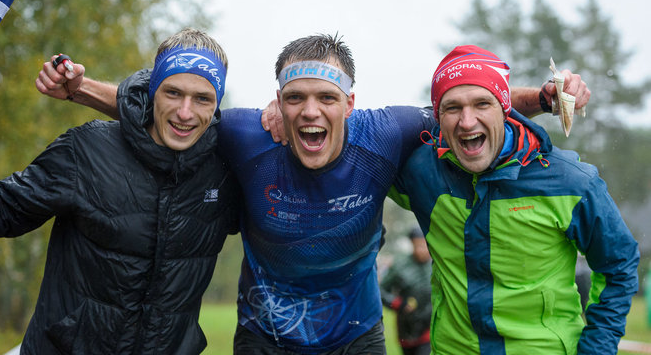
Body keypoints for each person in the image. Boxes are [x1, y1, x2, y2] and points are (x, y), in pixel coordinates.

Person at [35, 34, 590, 354]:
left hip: (356, 333)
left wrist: (543, 95)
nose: (310, 111)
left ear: (350, 103)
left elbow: (471, 99)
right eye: (295, 97)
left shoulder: (386, 132)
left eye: (326, 97)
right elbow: (173, 111)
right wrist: (79, 88)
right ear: (277, 100)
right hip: (262, 333)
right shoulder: (250, 133)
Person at [0, 28, 239, 354]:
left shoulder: (224, 175)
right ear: (153, 92)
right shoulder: (87, 150)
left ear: (216, 105)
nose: (185, 112)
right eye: (173, 93)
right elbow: (1, 208)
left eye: (202, 98)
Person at [389, 45, 639, 354]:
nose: (467, 122)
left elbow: (619, 266)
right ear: (437, 116)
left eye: (483, 103)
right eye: (452, 108)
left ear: (506, 110)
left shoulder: (571, 181)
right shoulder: (421, 172)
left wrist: (597, 349)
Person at [380, 227, 432, 355]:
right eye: (417, 245)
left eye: (425, 245)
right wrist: (398, 304)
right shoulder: (400, 266)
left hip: (429, 327)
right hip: (406, 327)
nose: (421, 250)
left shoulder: (437, 265)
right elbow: (380, 290)